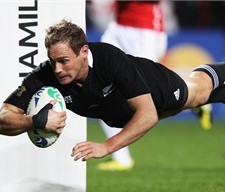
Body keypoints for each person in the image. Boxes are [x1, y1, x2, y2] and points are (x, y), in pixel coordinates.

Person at [0, 20, 223, 163]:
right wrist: (35, 121)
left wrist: (106, 147)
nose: (57, 69)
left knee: (200, 91)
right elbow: (3, 118)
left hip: (156, 89)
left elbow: (148, 115)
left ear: (84, 52)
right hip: (123, 113)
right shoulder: (45, 74)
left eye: (64, 61)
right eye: (52, 61)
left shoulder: (108, 58)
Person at [91, 0, 168, 171]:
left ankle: (194, 95)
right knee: (99, 87)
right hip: (118, 25)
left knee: (150, 89)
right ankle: (122, 158)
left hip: (144, 27)